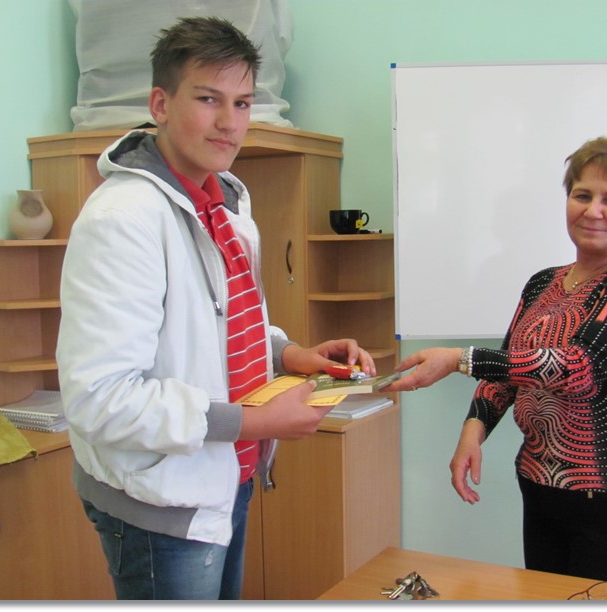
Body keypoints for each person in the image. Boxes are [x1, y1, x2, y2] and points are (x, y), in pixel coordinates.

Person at [55, 16, 375, 600]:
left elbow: (223, 326)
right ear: (160, 103)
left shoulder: (224, 205)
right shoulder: (122, 220)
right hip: (160, 505)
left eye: (242, 102)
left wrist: (290, 355)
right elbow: (99, 399)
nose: (230, 122)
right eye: (208, 99)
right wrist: (256, 423)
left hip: (225, 478)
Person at [386, 133, 607, 588]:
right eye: (582, 195)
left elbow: (577, 368)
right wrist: (472, 431)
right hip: (540, 488)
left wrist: (459, 358)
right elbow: (509, 369)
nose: (592, 210)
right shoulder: (542, 283)